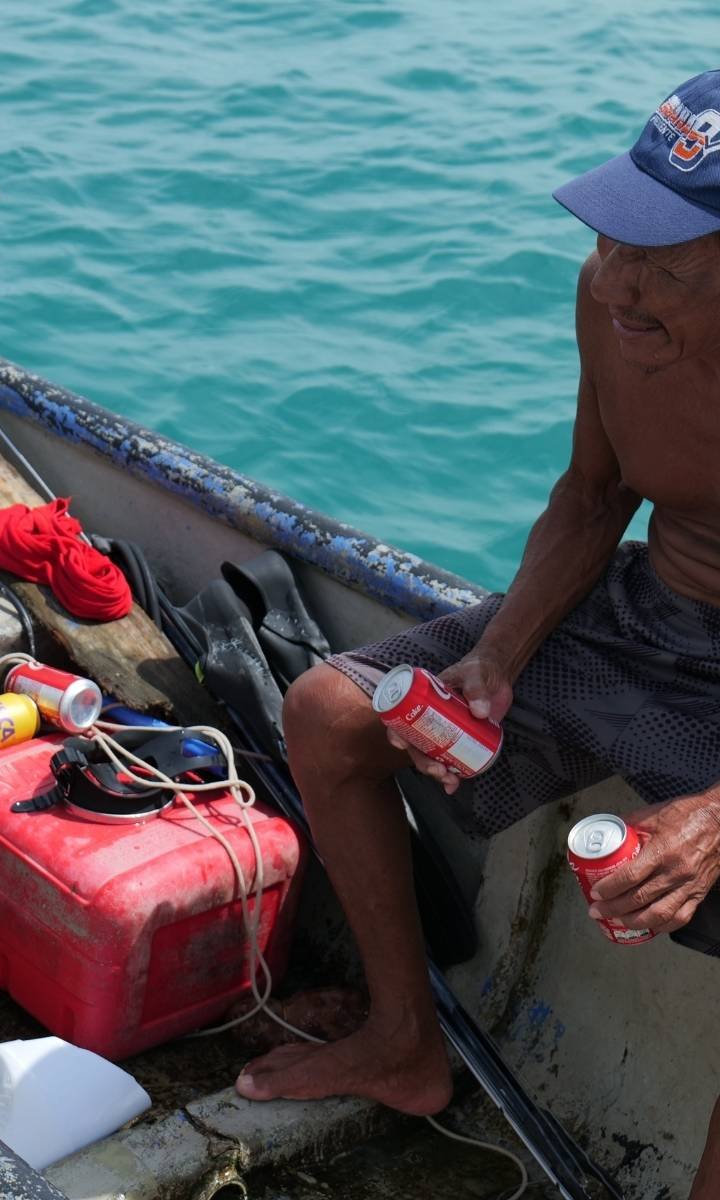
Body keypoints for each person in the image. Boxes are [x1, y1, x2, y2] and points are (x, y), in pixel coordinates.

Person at [232, 70, 720, 1197]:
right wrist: (495, 660)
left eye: (673, 262)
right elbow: (593, 499)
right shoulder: (608, 299)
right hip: (646, 615)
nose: (623, 281)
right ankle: (405, 1043)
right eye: (616, 237)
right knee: (331, 712)